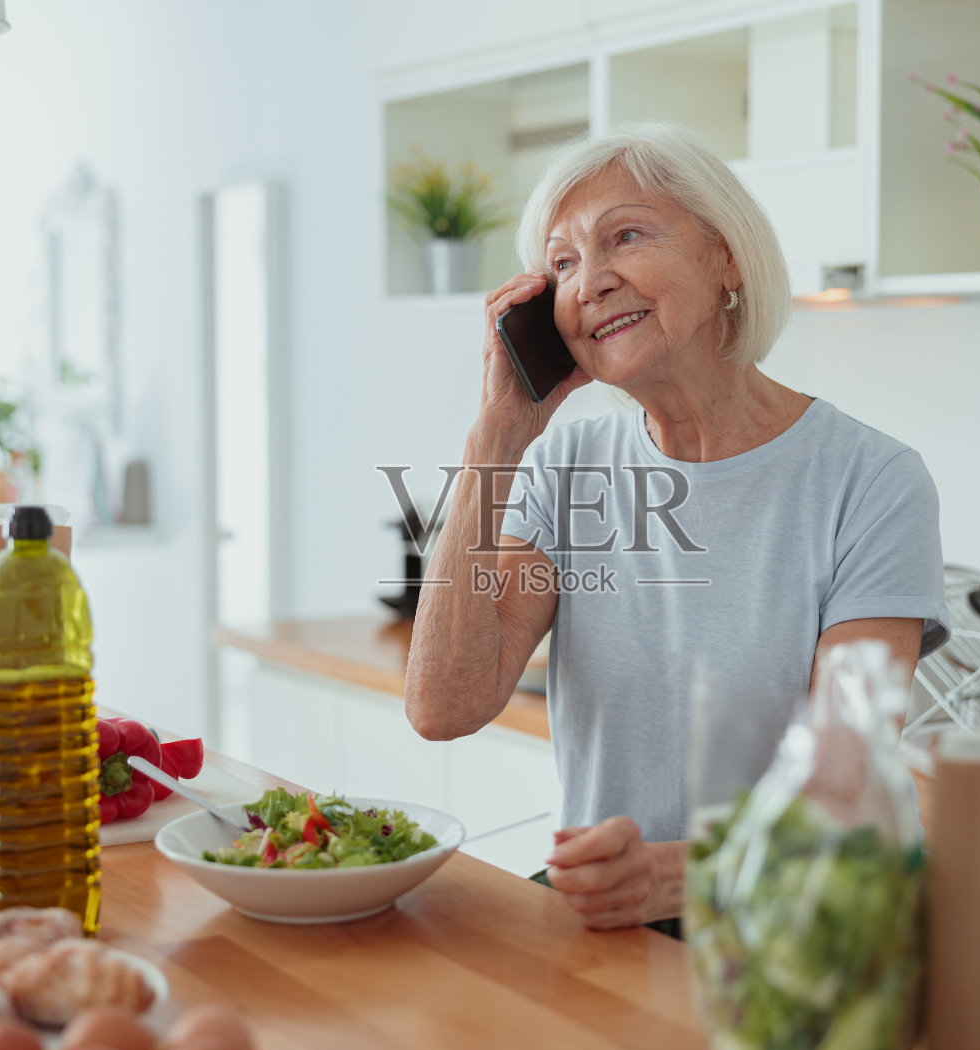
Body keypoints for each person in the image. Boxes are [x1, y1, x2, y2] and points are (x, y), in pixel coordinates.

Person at [404, 121, 949, 934]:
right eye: (561, 262)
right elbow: (443, 705)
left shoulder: (870, 480)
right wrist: (497, 436)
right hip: (623, 920)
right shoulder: (567, 463)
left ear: (725, 255)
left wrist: (679, 874)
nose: (589, 282)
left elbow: (846, 784)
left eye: (625, 235)